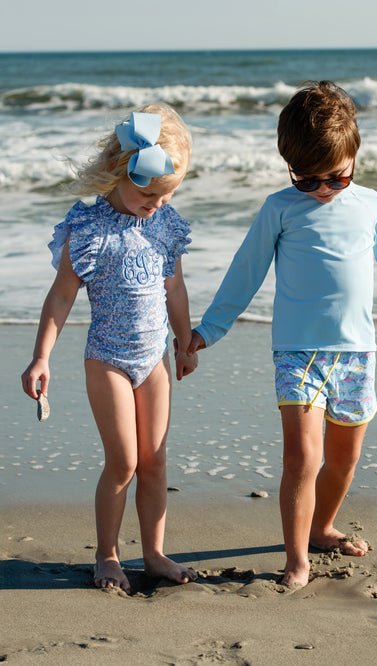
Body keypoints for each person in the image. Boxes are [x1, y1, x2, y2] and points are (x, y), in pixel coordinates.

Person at [187, 81, 377, 588]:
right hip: (298, 352)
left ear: (355, 159)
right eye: (309, 181)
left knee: (344, 459)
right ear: (290, 170)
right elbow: (246, 271)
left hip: (356, 354)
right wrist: (208, 330)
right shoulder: (280, 208)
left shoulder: (370, 206)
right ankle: (295, 559)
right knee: (303, 457)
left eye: (337, 178)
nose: (324, 189)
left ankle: (322, 526)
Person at [21, 103, 198, 593]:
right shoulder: (90, 229)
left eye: (167, 194)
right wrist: (41, 356)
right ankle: (108, 555)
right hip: (108, 361)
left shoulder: (164, 225)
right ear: (120, 172)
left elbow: (175, 290)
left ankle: (156, 553)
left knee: (156, 460)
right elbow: (61, 295)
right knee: (123, 462)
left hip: (154, 361)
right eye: (148, 192)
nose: (157, 203)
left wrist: (185, 343)